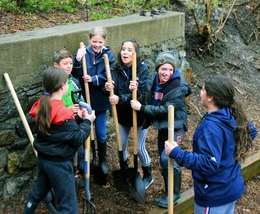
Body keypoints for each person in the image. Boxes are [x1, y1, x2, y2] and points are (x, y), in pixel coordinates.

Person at [165, 74, 257, 214]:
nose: (200, 92)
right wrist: (230, 156)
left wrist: (177, 153)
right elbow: (252, 131)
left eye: (202, 90)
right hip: (231, 186)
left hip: (215, 195)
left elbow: (209, 162)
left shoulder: (210, 128)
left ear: (210, 97)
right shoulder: (230, 114)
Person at [23, 66, 96, 214]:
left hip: (44, 160)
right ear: (63, 87)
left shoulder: (42, 105)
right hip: (59, 164)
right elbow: (77, 138)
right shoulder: (62, 113)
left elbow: (58, 130)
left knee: (38, 192)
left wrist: (77, 118)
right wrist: (88, 121)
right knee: (68, 207)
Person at [130, 51, 192, 207]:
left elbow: (165, 110)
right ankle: (168, 192)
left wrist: (142, 108)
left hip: (175, 126)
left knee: (167, 158)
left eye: (170, 70)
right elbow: (145, 93)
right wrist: (135, 88)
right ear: (158, 68)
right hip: (163, 126)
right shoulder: (153, 79)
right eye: (164, 69)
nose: (167, 73)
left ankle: (175, 193)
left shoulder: (178, 87)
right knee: (164, 160)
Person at [105, 38, 154, 189]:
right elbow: (114, 91)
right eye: (123, 49)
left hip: (139, 115)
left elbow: (145, 93)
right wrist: (108, 87)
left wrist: (136, 89)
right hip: (123, 115)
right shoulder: (116, 69)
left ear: (135, 53)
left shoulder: (142, 70)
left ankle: (148, 174)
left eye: (129, 50)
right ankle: (126, 174)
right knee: (121, 147)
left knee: (139, 148)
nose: (125, 52)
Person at [72, 26, 115, 183]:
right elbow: (75, 74)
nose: (97, 44)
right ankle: (91, 158)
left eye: (100, 42)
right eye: (94, 41)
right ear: (89, 39)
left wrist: (94, 79)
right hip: (85, 101)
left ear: (104, 41)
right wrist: (77, 60)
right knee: (87, 131)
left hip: (100, 100)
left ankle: (102, 161)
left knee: (101, 132)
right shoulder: (84, 53)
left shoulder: (108, 55)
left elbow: (109, 76)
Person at [53, 49, 85, 178]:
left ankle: (77, 173)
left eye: (70, 63)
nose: (69, 66)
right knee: (66, 155)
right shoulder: (52, 85)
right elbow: (52, 108)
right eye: (65, 63)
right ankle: (67, 176)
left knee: (80, 152)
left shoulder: (74, 82)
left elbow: (81, 100)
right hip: (61, 127)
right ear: (56, 66)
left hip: (75, 124)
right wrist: (68, 110)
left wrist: (83, 110)